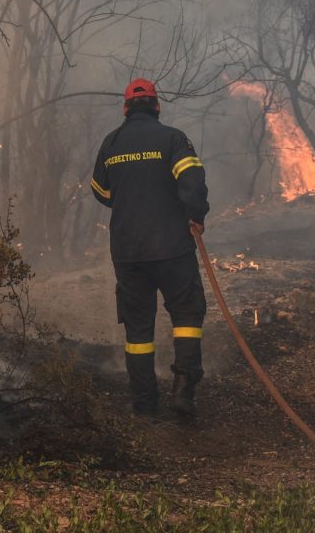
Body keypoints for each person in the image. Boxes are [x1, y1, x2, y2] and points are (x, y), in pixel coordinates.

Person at [90, 78, 209, 417]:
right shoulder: (173, 139)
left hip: (129, 252)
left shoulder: (111, 143)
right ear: (157, 107)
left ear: (125, 109)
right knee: (186, 314)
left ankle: (144, 403)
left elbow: (101, 192)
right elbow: (192, 183)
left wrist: (131, 200)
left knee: (138, 328)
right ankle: (184, 393)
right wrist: (195, 216)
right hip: (172, 247)